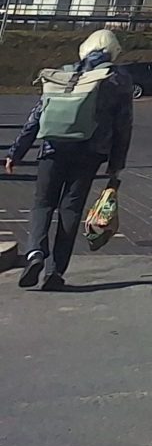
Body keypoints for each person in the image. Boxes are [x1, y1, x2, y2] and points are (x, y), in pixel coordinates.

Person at [4, 28, 133, 291]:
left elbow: (37, 116)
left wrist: (16, 152)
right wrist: (116, 165)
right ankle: (55, 272)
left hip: (53, 148)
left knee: (42, 204)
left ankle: (35, 253)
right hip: (90, 153)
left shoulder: (65, 74)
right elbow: (123, 125)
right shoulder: (117, 79)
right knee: (70, 210)